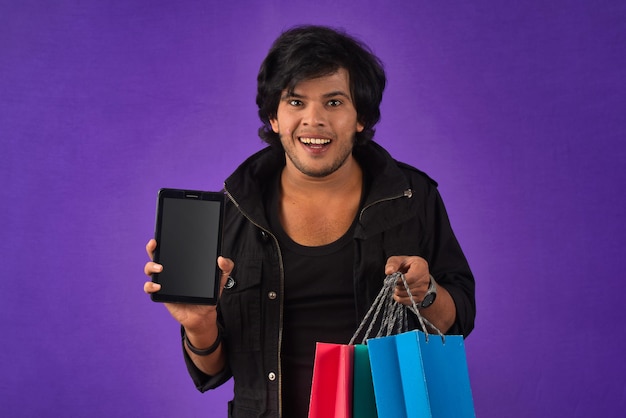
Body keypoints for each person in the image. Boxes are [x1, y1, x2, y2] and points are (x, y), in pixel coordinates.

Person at [143, 25, 475, 418]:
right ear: (274, 117)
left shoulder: (412, 197)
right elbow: (215, 370)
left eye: (334, 102)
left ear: (361, 118)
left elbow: (459, 320)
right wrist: (199, 324)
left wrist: (428, 293)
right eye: (296, 102)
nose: (313, 120)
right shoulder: (234, 213)